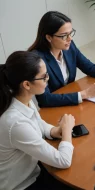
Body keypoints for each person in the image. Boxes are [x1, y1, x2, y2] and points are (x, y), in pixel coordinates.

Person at [0, 51, 76, 190]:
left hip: (34, 169)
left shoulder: (24, 100)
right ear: (27, 85)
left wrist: (53, 131)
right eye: (44, 77)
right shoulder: (15, 123)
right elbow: (63, 161)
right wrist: (66, 131)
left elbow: (38, 123)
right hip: (23, 184)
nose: (48, 79)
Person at [28, 11, 95, 107]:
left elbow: (89, 67)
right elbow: (44, 99)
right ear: (49, 37)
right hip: (53, 109)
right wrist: (84, 94)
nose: (70, 39)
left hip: (70, 101)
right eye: (64, 36)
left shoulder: (69, 46)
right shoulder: (38, 60)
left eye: (70, 33)